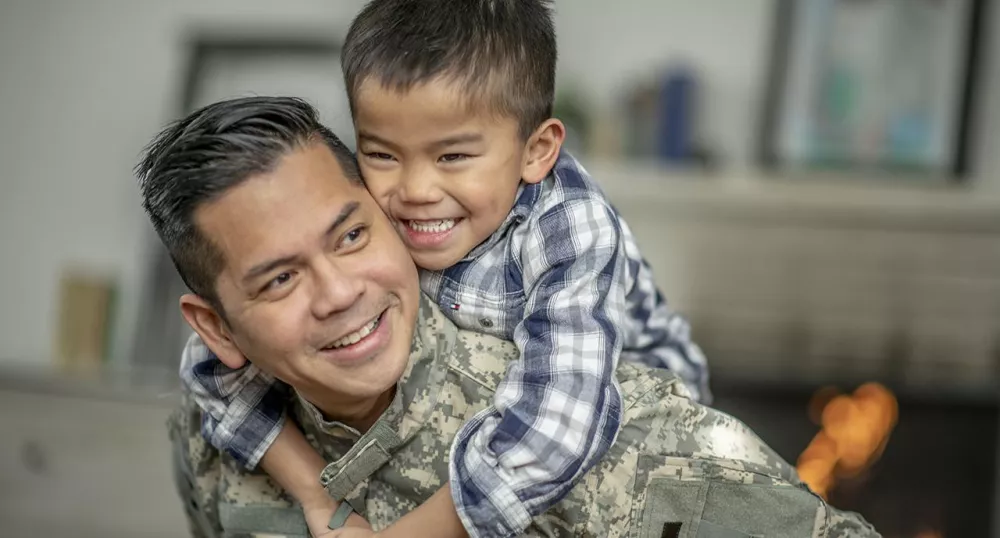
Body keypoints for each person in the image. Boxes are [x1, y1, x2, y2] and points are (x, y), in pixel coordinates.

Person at [138, 95, 881, 538]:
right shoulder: (210, 445)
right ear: (216, 330)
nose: (338, 293)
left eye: (352, 235)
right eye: (278, 280)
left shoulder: (617, 435)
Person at [176, 1, 711, 536]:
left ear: (536, 150)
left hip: (630, 403)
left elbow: (559, 423)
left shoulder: (569, 227)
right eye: (382, 153)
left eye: (452, 157)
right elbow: (213, 366)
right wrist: (317, 493)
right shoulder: (373, 211)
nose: (415, 192)